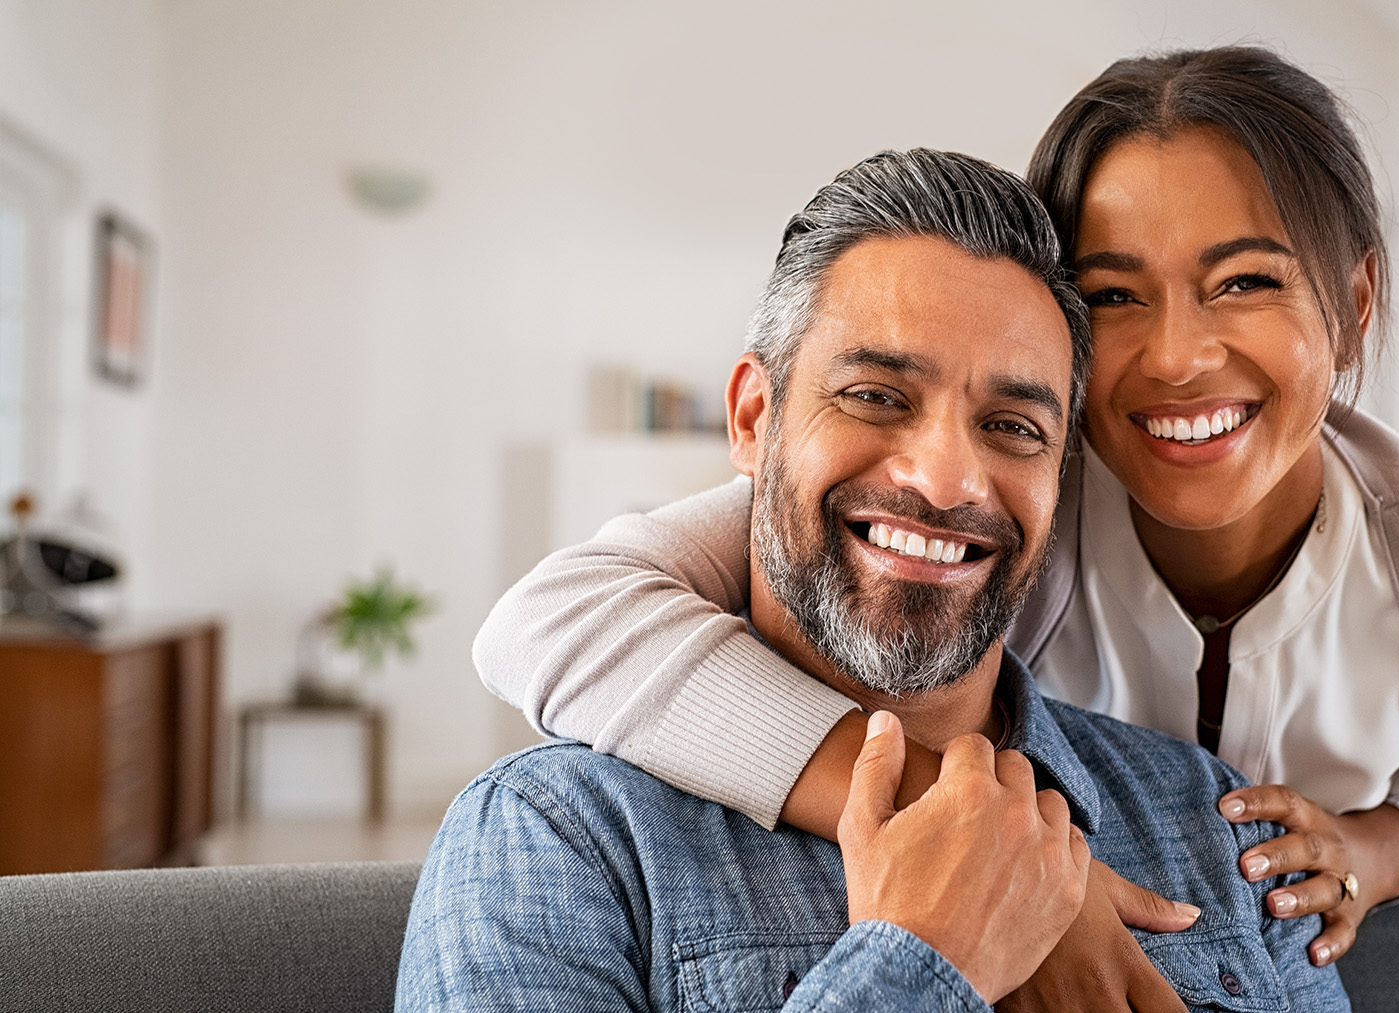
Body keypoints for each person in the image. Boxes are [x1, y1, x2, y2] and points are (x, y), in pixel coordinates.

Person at [474, 45, 1399, 988]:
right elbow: (556, 616)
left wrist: (1382, 844)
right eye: (1113, 295)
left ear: (1353, 304)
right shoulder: (1004, 503)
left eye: (1246, 281)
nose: (1175, 356)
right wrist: (992, 858)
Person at [398, 148, 1349, 1013]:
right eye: (876, 398)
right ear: (754, 420)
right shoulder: (557, 841)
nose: (944, 480)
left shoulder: (1216, 826)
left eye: (1014, 426)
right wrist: (922, 959)